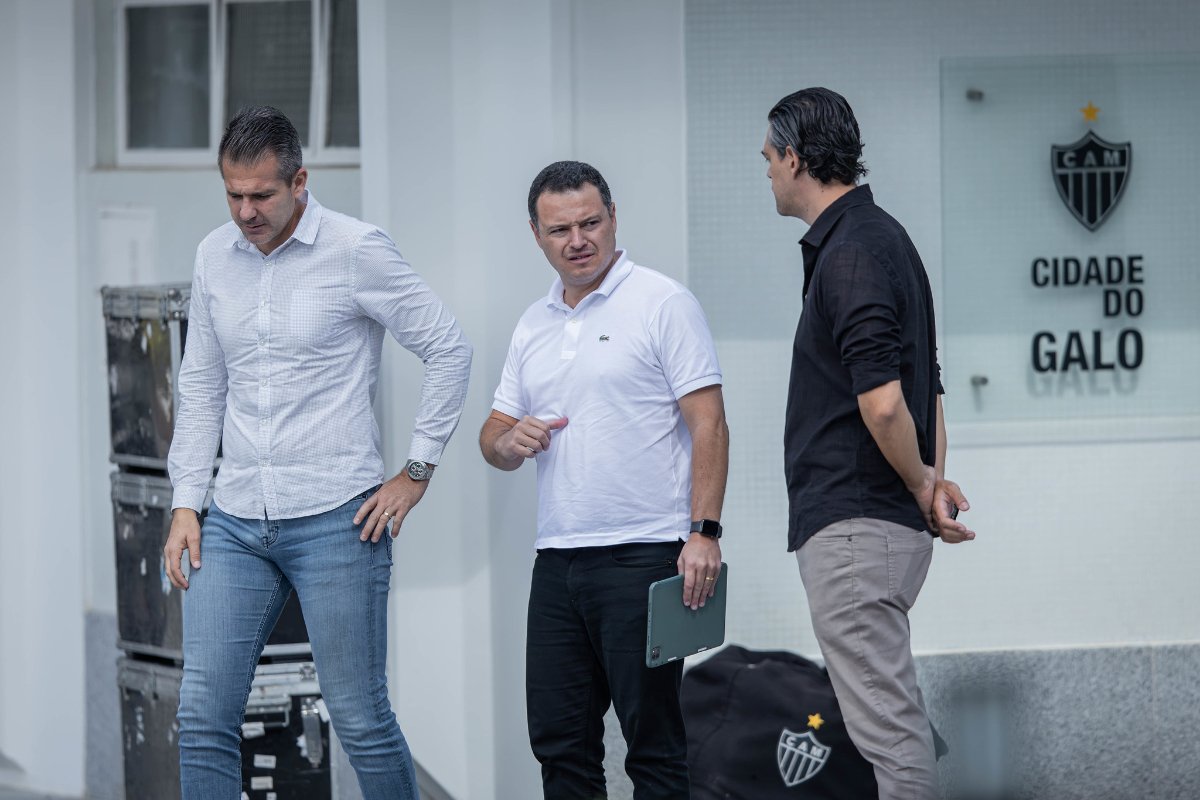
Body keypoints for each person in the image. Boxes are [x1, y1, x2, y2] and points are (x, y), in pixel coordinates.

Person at [164, 105, 472, 800]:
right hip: (237, 520)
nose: (246, 210)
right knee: (202, 712)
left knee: (359, 715)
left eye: (261, 195)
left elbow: (449, 349)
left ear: (299, 180)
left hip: (338, 519)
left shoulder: (357, 250)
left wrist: (416, 471)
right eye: (233, 194)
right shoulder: (214, 255)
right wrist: (187, 505)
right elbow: (202, 383)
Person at [479, 160, 729, 798]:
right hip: (558, 562)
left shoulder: (663, 302)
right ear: (536, 234)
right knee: (560, 745)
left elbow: (709, 425)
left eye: (590, 223)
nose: (578, 240)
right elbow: (492, 438)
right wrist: (511, 441)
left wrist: (703, 532)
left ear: (614, 219)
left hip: (644, 554)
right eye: (560, 229)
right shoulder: (533, 323)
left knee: (653, 746)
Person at [761, 87, 976, 799]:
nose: (765, 169)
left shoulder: (851, 250)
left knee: (889, 735)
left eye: (769, 156)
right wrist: (932, 483)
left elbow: (886, 403)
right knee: (886, 725)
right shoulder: (882, 238)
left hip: (856, 526)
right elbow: (930, 385)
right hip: (876, 524)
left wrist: (922, 483)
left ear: (795, 157)